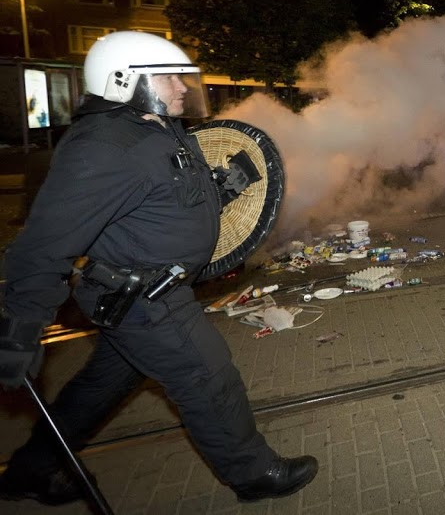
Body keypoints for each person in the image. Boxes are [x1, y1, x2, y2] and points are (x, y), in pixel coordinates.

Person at [0, 31, 317, 506]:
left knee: (100, 388)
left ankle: (32, 468)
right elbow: (44, 245)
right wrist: (18, 329)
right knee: (208, 377)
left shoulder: (155, 128)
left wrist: (224, 187)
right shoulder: (103, 148)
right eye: (169, 78)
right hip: (145, 299)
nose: (182, 88)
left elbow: (165, 195)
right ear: (125, 81)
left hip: (140, 294)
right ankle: (252, 473)